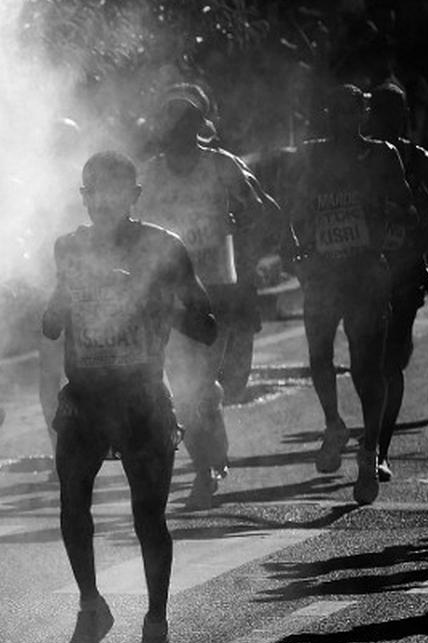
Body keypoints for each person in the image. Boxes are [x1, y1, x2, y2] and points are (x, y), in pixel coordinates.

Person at [44, 151, 215, 643]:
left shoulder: (162, 246)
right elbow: (49, 323)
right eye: (93, 191)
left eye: (114, 191)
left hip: (142, 398)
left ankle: (156, 626)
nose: (103, 201)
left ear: (134, 195)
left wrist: (153, 294)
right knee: (72, 503)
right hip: (86, 398)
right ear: (84, 196)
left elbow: (206, 325)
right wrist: (66, 297)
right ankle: (90, 604)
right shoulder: (69, 247)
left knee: (148, 517)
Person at [138, 93, 266, 510]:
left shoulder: (221, 165)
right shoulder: (152, 174)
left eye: (184, 125)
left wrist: (239, 235)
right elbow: (133, 226)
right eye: (170, 125)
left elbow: (259, 207)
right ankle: (206, 464)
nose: (176, 134)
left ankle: (204, 470)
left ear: (198, 127)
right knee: (186, 389)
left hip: (218, 292)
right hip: (172, 294)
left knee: (198, 386)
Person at [287, 84, 412, 505]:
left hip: (364, 273)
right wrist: (297, 250)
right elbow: (296, 207)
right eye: (335, 112)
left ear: (364, 114)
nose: (343, 120)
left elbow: (406, 205)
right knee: (319, 353)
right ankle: (334, 423)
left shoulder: (381, 155)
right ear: (327, 116)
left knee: (366, 367)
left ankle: (371, 447)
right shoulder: (313, 155)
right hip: (323, 274)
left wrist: (378, 212)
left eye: (351, 111)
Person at [365, 84, 428, 482]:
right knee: (365, 363)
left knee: (390, 362)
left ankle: (379, 448)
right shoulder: (358, 159)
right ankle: (369, 438)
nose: (383, 120)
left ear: (405, 118)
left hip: (406, 273)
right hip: (360, 274)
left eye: (391, 112)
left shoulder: (422, 161)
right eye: (377, 112)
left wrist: (427, 259)